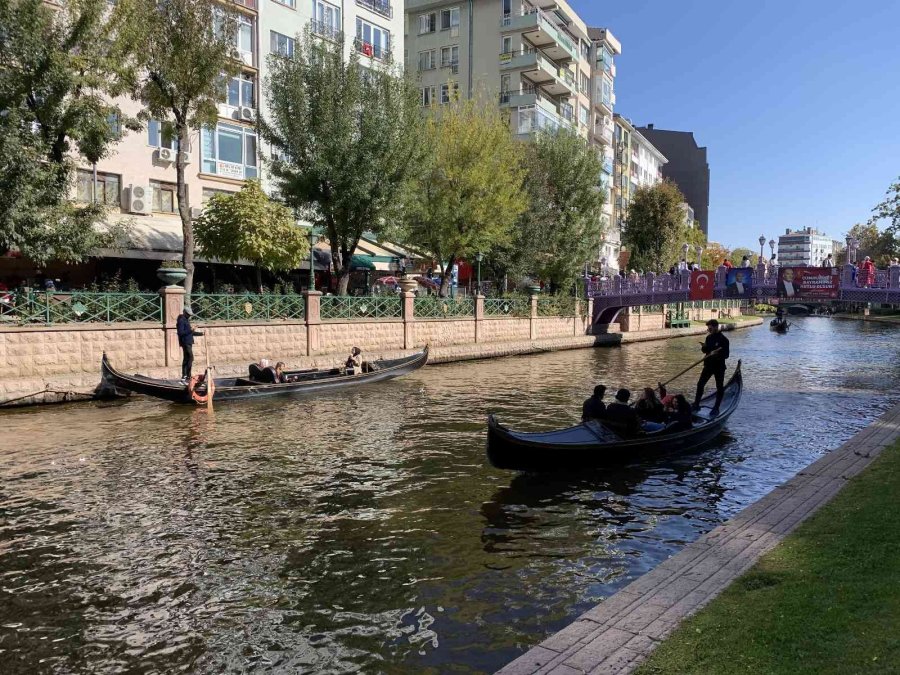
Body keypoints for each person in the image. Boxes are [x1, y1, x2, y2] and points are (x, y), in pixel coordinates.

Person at [693, 319, 729, 416]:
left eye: (710, 328)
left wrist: (716, 354)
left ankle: (716, 408)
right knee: (700, 384)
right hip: (708, 365)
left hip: (719, 367)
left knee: (719, 387)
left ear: (716, 327)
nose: (709, 330)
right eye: (708, 328)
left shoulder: (724, 340)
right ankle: (696, 404)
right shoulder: (709, 338)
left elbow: (726, 355)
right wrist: (704, 347)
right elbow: (706, 351)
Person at [176, 307, 203, 382]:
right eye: (188, 314)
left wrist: (201, 334)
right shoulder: (181, 320)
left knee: (187, 358)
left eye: (190, 315)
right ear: (184, 312)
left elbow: (190, 332)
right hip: (185, 342)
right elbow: (181, 333)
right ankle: (187, 375)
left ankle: (185, 376)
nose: (189, 316)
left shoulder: (186, 320)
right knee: (190, 358)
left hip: (189, 342)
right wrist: (191, 329)